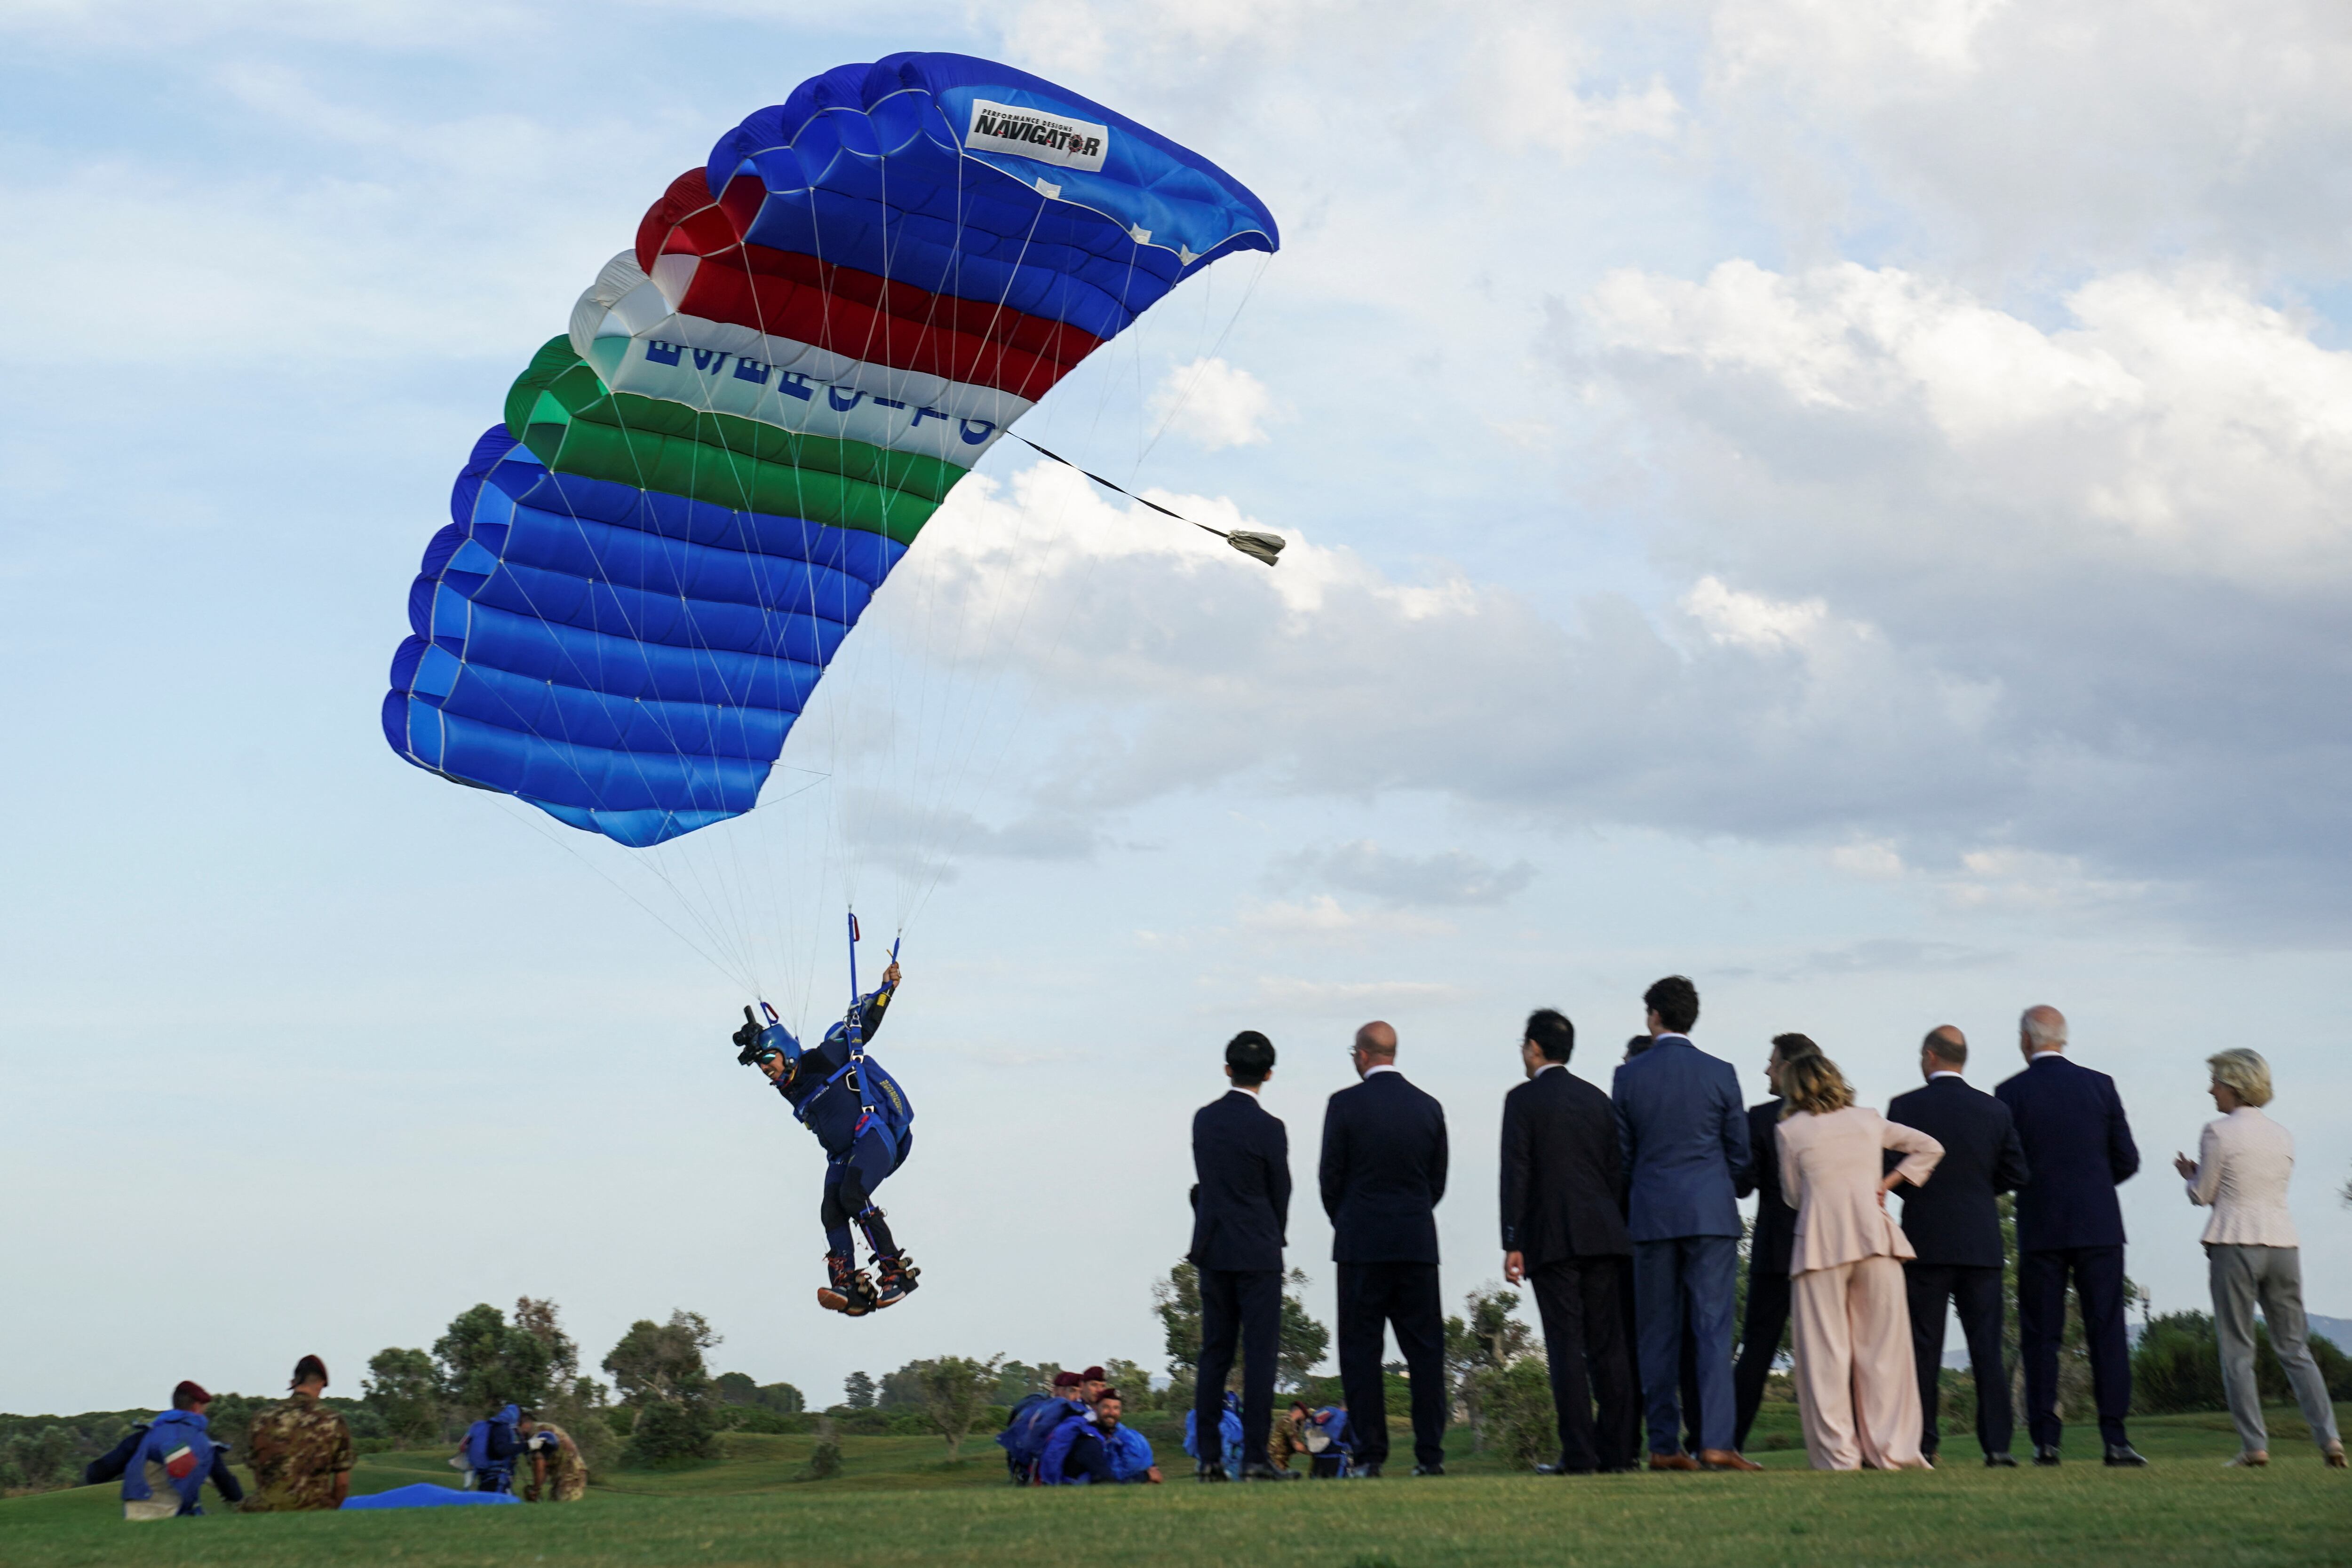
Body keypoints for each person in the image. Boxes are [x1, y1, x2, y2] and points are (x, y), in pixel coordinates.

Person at [1611, 975, 1758, 1472]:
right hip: (1710, 1212)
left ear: (1653, 1015)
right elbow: (1739, 1150)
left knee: (1656, 1333)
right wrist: (1729, 1185)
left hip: (1651, 1212)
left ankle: (1662, 1444)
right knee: (1713, 1330)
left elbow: (1623, 1155)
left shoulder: (1628, 1077)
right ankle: (1716, 1441)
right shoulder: (1721, 1072)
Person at [2173, 1050, 2346, 1469]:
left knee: (2237, 1350)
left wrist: (2190, 1175)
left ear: (2233, 1086)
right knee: (2295, 1348)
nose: (2211, 1088)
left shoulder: (2216, 1132)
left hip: (2235, 1242)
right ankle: (2331, 1440)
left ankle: (2255, 1446)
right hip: (2284, 1244)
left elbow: (2205, 1194)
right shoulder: (2282, 1135)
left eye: (2215, 1081)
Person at [1994, 1005, 2146, 1466]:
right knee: (2106, 1332)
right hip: (2098, 1222)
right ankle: (2115, 1438)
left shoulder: (2009, 1092)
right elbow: (2126, 1158)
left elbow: (2006, 1164)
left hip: (2040, 1225)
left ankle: (2046, 1439)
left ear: (2025, 1040)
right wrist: (2094, 1186)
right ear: (2062, 1038)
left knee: (2041, 1336)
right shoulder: (2100, 1085)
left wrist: (2031, 1188)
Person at [1777, 1053, 1943, 1471]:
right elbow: (1929, 1147)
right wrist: (1884, 1184)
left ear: (1793, 1086)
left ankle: (1840, 1455)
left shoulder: (1789, 1131)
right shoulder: (1869, 1119)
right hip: (1875, 1240)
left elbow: (1793, 1197)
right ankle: (1891, 1450)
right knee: (1884, 1352)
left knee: (1825, 1356)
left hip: (1820, 1243)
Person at [735, 960, 919, 1315]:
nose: (766, 1070)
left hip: (873, 1137)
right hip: (843, 1155)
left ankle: (896, 1271)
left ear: (786, 1052)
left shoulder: (825, 1056)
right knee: (831, 1207)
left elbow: (860, 1027)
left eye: (768, 1060)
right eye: (760, 1066)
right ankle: (849, 1284)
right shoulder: (787, 1087)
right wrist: (757, 1042)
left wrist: (886, 990)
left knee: (852, 1194)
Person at [1501, 1007, 1637, 1475]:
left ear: (1534, 1048)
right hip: (1604, 1232)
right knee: (1608, 1347)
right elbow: (1614, 1171)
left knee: (1565, 1346)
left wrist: (1512, 1239)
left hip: (1551, 1237)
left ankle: (1579, 1453)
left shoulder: (1522, 1100)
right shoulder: (1598, 1099)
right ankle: (1618, 1451)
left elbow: (1516, 1172)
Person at [1886, 1026, 2029, 1467]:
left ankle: (1924, 1443)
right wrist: (1981, 1192)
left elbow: (1888, 1168)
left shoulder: (1905, 1107)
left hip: (1925, 1240)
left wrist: (1919, 1195)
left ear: (1930, 1056)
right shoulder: (1994, 1110)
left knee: (1923, 1347)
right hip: (1981, 1242)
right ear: (1962, 1059)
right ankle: (1998, 1446)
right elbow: (2018, 1173)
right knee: (1987, 1348)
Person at [1321, 1019, 1451, 1478]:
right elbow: (1436, 1182)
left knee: (1360, 1353)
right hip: (1416, 1242)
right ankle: (1429, 1455)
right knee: (1425, 1354)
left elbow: (1329, 1179)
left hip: (1360, 1243)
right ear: (1392, 1053)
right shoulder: (1428, 1107)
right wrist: (1411, 1214)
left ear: (1361, 1055)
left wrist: (1350, 1219)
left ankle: (1370, 1455)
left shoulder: (1343, 1105)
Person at [1188, 1029, 1291, 1481]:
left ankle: (1209, 1457)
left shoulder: (1204, 1121)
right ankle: (1254, 1456)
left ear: (1228, 1069)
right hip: (1258, 1249)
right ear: (1268, 1074)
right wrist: (1272, 1232)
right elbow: (1280, 1191)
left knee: (1215, 1353)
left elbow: (1206, 1182)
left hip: (1214, 1246)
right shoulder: (1271, 1129)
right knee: (1260, 1357)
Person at [1731, 1032, 1816, 1453]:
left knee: (1757, 1352)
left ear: (1788, 1068)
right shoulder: (1840, 1117)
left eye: (1772, 1062)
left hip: (1776, 1251)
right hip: (1829, 1248)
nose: (1767, 1069)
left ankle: (1727, 1441)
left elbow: (1743, 1185)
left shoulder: (1762, 1119)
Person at [241, 1354, 355, 1512]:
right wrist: (330, 1510)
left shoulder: (263, 1418)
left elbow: (258, 1473)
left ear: (294, 1383)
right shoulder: (333, 1421)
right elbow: (342, 1483)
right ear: (321, 1383)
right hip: (316, 1507)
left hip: (265, 1509)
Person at [118, 1381, 243, 1520]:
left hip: (135, 1514)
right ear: (196, 1408)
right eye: (204, 1409)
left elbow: (112, 1462)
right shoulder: (201, 1442)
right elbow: (222, 1478)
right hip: (172, 1513)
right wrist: (240, 1500)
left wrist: (94, 1475)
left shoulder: (147, 1434)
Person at [1042, 1390, 1163, 1484]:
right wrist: (1145, 1477)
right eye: (1106, 1407)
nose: (1111, 1412)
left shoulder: (1113, 1435)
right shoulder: (1088, 1440)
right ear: (1095, 1409)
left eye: (1116, 1408)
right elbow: (1106, 1482)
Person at [520, 1410, 591, 1501]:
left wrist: (536, 1489)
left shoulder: (537, 1433)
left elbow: (540, 1464)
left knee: (565, 1506)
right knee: (555, 1505)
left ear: (525, 1424)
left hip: (571, 1474)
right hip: (562, 1474)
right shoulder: (541, 1429)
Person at [459, 1403, 524, 1493]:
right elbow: (503, 1450)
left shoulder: (489, 1426)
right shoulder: (504, 1428)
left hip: (483, 1471)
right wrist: (526, 1446)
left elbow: (462, 1445)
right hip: (499, 1474)